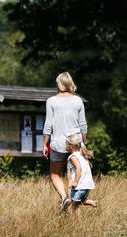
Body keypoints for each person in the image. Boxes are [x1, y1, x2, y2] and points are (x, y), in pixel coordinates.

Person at [42, 72, 88, 210]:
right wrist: (83, 144)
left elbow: (48, 125)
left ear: (58, 84)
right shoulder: (77, 100)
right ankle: (74, 206)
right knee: (73, 175)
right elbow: (83, 125)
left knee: (55, 174)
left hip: (58, 144)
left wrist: (45, 144)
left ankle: (64, 198)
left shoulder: (51, 101)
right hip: (75, 143)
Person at [65, 133, 97, 216]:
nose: (65, 145)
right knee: (79, 201)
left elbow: (79, 168)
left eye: (66, 144)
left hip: (79, 185)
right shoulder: (82, 155)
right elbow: (90, 165)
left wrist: (75, 181)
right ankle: (92, 202)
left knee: (75, 205)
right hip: (87, 185)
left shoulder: (73, 157)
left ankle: (78, 222)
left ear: (71, 146)